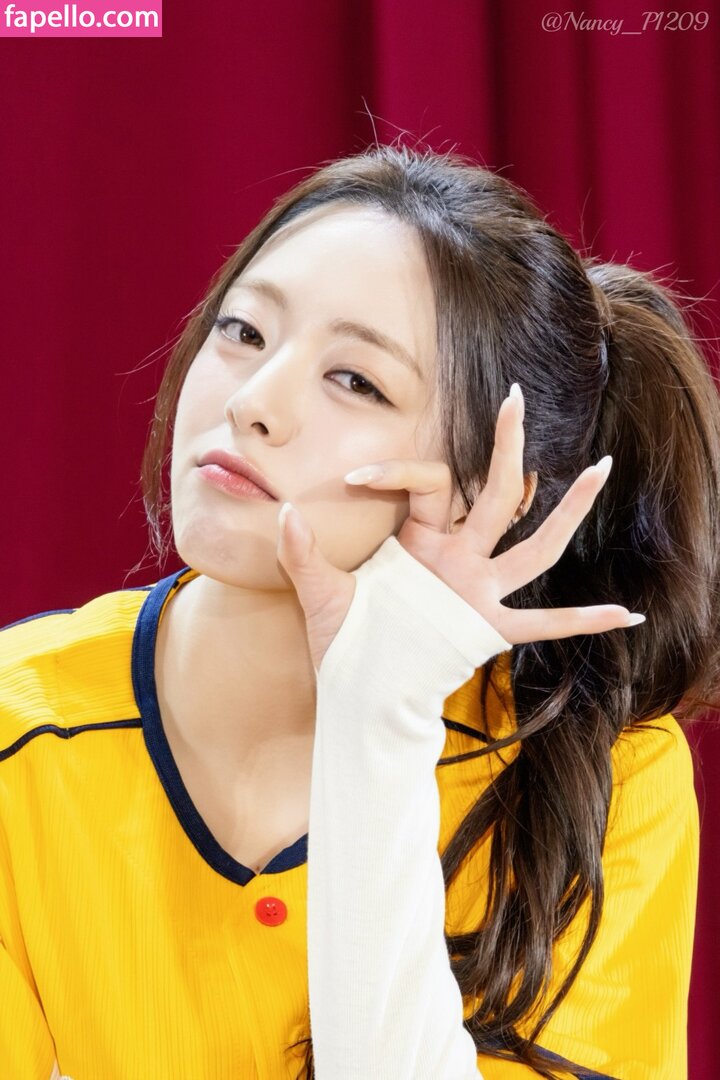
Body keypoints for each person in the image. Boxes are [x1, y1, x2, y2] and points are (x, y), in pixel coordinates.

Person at [2, 142, 718, 1080]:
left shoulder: (604, 775)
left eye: (356, 381)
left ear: (492, 489)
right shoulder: (19, 730)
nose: (252, 402)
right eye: (243, 330)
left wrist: (378, 709)